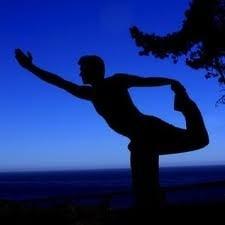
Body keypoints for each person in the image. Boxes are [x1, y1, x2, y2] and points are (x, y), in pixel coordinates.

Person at [15, 49, 209, 211]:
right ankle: (151, 207)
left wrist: (172, 82)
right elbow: (57, 81)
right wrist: (30, 67)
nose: (80, 74)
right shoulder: (90, 93)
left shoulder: (116, 81)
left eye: (82, 69)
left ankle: (184, 105)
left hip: (149, 130)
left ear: (94, 69)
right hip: (141, 140)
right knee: (144, 187)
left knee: (198, 140)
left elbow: (145, 80)